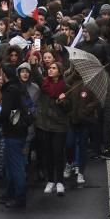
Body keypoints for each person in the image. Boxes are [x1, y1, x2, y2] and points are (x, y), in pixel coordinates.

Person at [0, 63, 30, 209]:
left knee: (16, 166)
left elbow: (6, 113)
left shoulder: (10, 90)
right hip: (20, 131)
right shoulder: (18, 88)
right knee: (10, 165)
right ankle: (10, 193)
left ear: (5, 75)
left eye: (1, 74)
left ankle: (19, 197)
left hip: (13, 133)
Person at [37, 61, 70, 196]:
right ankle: (50, 180)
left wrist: (64, 101)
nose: (50, 70)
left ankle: (60, 182)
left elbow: (69, 108)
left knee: (58, 153)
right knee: (48, 153)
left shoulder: (65, 87)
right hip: (45, 124)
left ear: (59, 71)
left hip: (59, 125)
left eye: (54, 68)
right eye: (49, 68)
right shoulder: (44, 85)